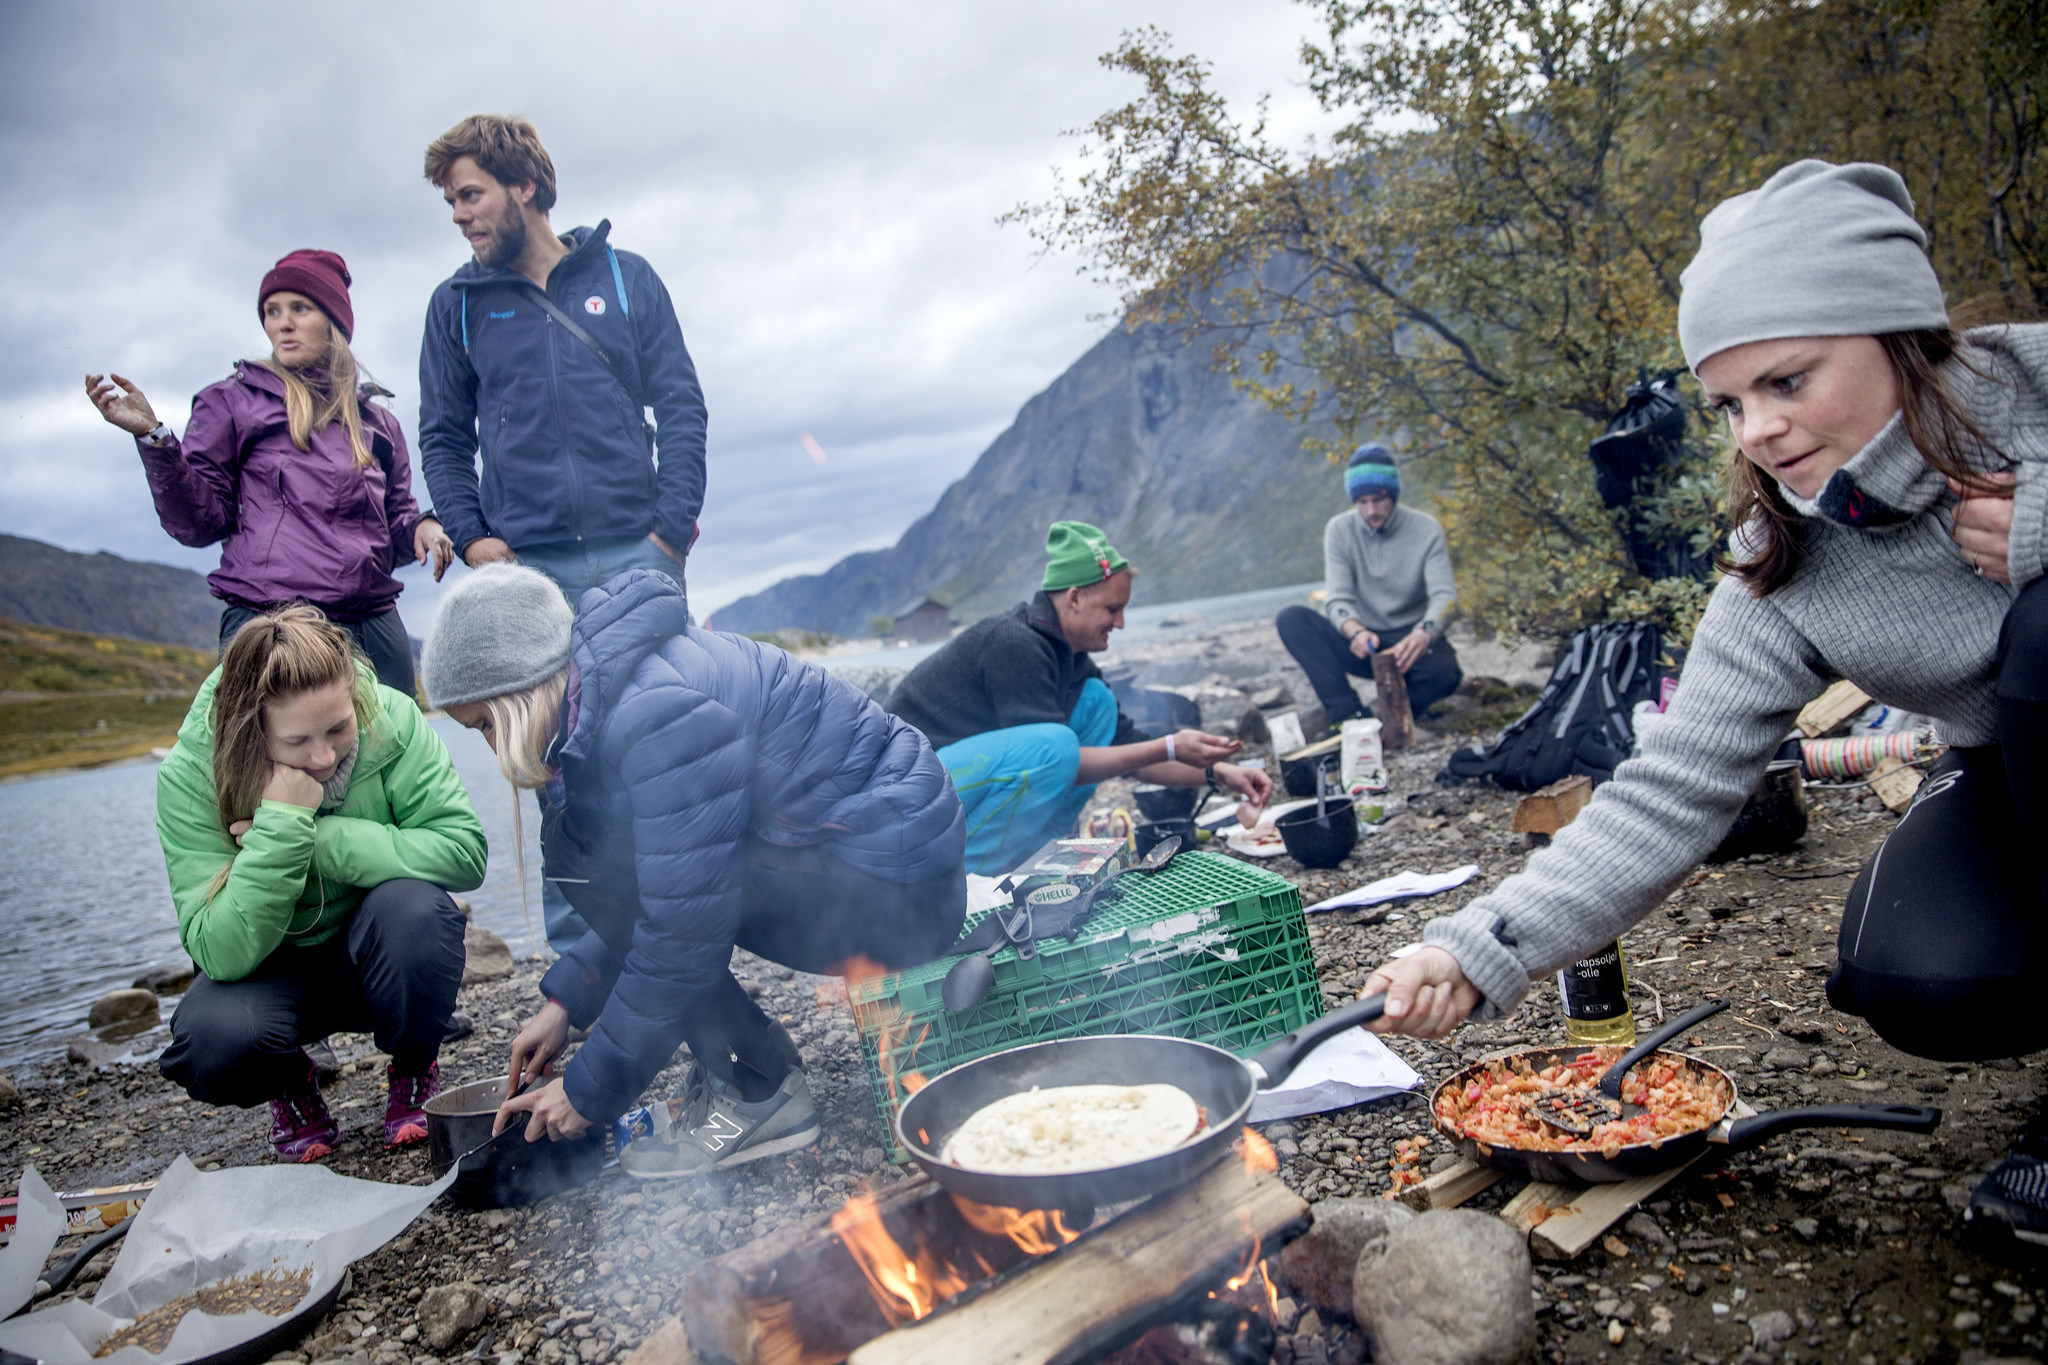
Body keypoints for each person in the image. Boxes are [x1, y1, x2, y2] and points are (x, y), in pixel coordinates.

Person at [1358, 160, 2048, 1247]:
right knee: (1914, 974)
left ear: (1894, 330)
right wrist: (1472, 946)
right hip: (2013, 774)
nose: (1756, 433)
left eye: (1786, 382)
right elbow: (1669, 787)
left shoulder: (2029, 384)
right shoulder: (1785, 558)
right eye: (1727, 402)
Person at [422, 565, 965, 1177]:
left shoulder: (655, 711)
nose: (495, 749)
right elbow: (669, 880)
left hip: (899, 896)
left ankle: (761, 1089)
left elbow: (682, 926)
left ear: (520, 687)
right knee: (602, 863)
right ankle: (746, 1066)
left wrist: (588, 1087)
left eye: (487, 724)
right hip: (863, 867)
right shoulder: (604, 701)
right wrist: (568, 1002)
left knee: (613, 878)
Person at [416, 113, 710, 952]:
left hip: (639, 553)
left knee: (667, 736)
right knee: (553, 765)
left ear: (525, 188)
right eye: (450, 202)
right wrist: (473, 538)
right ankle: (582, 969)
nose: (461, 215)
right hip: (531, 571)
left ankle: (691, 929)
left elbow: (681, 406)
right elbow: (442, 435)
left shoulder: (625, 276)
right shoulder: (455, 308)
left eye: (470, 195)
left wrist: (669, 535)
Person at [155, 605, 487, 1162]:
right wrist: (281, 828)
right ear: (250, 729)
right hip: (269, 973)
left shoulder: (394, 720)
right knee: (213, 1043)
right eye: (297, 742)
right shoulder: (192, 773)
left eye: (338, 727)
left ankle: (413, 1065)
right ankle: (290, 1082)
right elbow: (217, 948)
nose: (325, 756)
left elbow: (462, 853)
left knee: (418, 914)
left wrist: (319, 839)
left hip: (375, 953)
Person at [86, 250, 454, 696]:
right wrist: (154, 438)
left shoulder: (379, 423)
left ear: (334, 322)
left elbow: (395, 526)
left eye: (300, 308)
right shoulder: (229, 403)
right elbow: (199, 524)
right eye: (271, 311)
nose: (282, 323)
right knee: (276, 766)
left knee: (396, 761)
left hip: (371, 625)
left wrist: (424, 526)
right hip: (270, 626)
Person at [888, 521, 1275, 876]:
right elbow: (1058, 761)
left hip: (959, 783)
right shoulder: (1013, 641)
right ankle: (961, 882)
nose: (1120, 623)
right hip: (907, 797)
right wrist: (1170, 745)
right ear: (1074, 599)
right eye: (1112, 608)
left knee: (1097, 704)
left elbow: (1129, 751)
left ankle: (1033, 860)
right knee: (1054, 746)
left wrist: (1220, 774)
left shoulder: (1071, 659)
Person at [1275, 445, 1461, 730]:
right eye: (1362, 502)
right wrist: (1356, 631)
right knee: (1292, 619)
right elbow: (1338, 598)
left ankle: (1394, 713)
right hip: (1365, 640)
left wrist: (1424, 635)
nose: (1371, 510)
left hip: (1409, 640)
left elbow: (1445, 597)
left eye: (1378, 500)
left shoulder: (1426, 529)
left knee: (1446, 672)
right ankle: (1349, 716)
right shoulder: (1339, 529)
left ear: (1393, 495)